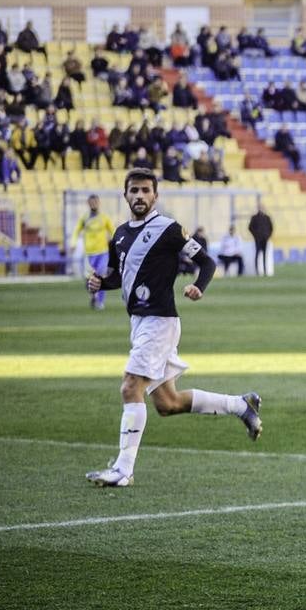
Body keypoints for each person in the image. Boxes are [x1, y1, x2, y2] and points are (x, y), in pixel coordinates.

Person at [83, 169, 263, 488]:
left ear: (155, 196)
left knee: (130, 387)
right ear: (125, 195)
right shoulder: (121, 235)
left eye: (145, 191)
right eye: (134, 190)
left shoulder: (168, 229)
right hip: (139, 323)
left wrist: (199, 286)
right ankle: (241, 405)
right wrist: (99, 282)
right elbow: (119, 277)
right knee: (168, 403)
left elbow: (207, 262)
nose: (139, 196)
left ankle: (124, 470)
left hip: (160, 321)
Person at [72, 195, 116, 309]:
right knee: (89, 278)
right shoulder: (85, 218)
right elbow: (76, 231)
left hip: (103, 253)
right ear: (88, 203)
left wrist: (118, 244)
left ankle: (100, 302)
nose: (94, 204)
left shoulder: (104, 218)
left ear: (99, 203)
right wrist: (73, 243)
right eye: (91, 202)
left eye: (95, 202)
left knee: (101, 276)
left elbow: (113, 232)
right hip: (89, 254)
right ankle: (94, 296)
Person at [248, 204, 274, 277]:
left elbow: (271, 228)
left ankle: (265, 271)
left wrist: (267, 236)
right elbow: (250, 228)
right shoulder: (254, 217)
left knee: (264, 255)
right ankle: (257, 271)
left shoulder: (267, 218)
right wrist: (255, 235)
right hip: (258, 239)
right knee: (257, 255)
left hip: (265, 239)